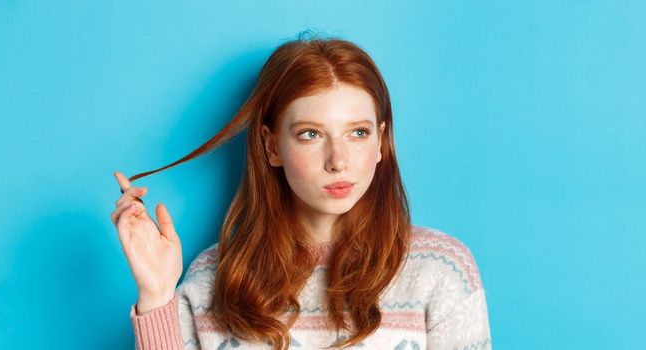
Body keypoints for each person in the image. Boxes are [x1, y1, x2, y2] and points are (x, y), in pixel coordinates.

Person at [110, 33, 492, 349]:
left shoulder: (440, 269)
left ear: (381, 141)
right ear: (272, 146)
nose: (338, 160)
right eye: (310, 134)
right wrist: (158, 295)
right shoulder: (215, 276)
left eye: (358, 132)